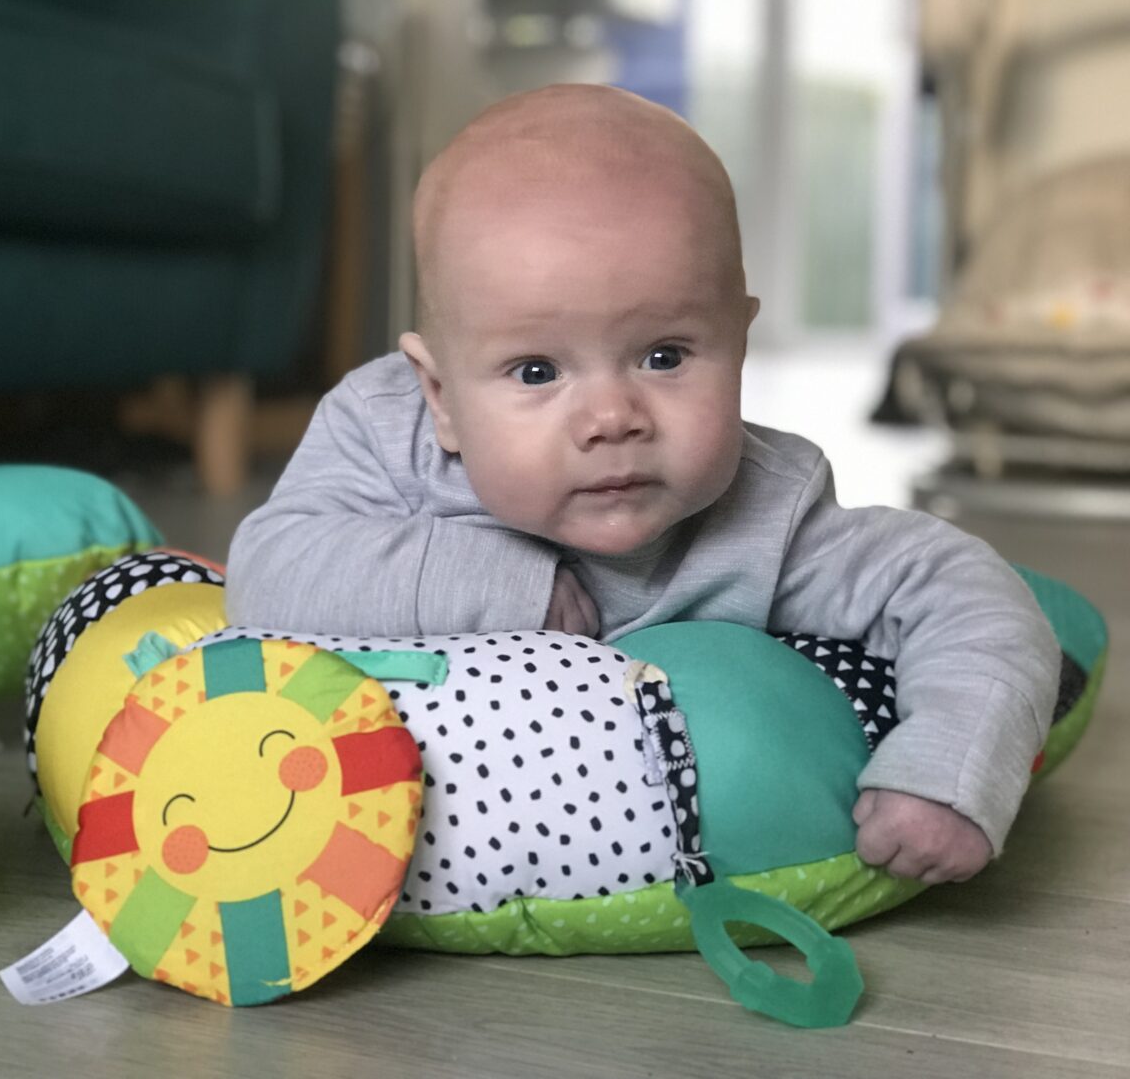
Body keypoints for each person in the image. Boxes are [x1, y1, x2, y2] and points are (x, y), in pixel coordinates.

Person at [225, 83, 1059, 885]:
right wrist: (502, 586)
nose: (612, 418)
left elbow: (966, 590)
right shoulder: (386, 435)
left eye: (665, 356)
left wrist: (949, 767)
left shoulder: (768, 514)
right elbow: (267, 570)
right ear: (439, 395)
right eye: (537, 370)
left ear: (739, 346)